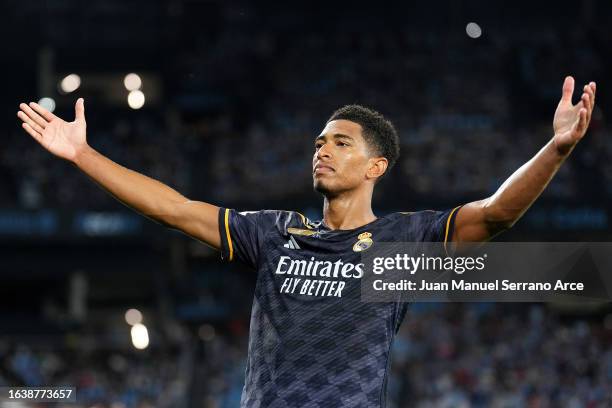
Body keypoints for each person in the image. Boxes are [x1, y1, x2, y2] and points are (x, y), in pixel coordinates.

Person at [17, 76, 596, 407]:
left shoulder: (402, 238)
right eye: (319, 140)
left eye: (341, 142)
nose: (322, 149)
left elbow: (494, 216)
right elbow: (174, 209)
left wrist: (557, 149)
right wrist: (83, 155)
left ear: (376, 167)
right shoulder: (273, 232)